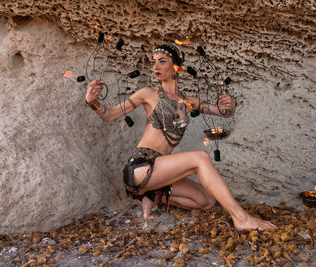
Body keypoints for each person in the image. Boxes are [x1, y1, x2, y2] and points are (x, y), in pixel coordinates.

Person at [85, 43, 277, 231]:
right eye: (154, 62)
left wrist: (231, 105)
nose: (155, 67)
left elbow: (222, 113)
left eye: (162, 61)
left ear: (176, 66)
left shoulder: (189, 102)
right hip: (140, 167)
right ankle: (241, 218)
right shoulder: (148, 94)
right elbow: (109, 114)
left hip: (160, 170)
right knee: (200, 157)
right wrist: (91, 102)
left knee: (206, 201)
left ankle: (152, 195)